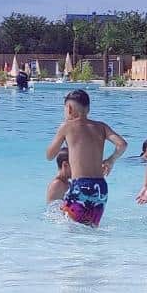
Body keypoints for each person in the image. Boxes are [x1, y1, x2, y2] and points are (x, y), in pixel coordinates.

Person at [45, 89, 128, 228]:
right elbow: (122, 144)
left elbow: (50, 155)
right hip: (101, 188)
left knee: (69, 229)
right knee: (91, 230)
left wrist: (62, 135)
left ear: (69, 109)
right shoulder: (101, 127)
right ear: (88, 108)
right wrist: (110, 160)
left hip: (81, 185)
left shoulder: (67, 127)